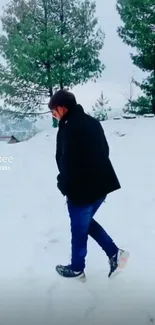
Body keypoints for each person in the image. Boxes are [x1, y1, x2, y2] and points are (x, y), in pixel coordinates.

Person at [48, 90, 129, 280]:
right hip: (101, 187)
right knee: (84, 223)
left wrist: (63, 184)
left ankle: (77, 269)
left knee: (78, 230)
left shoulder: (68, 128)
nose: (53, 114)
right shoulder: (92, 122)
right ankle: (115, 254)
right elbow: (105, 150)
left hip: (81, 190)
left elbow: (68, 161)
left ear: (62, 108)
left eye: (53, 111)